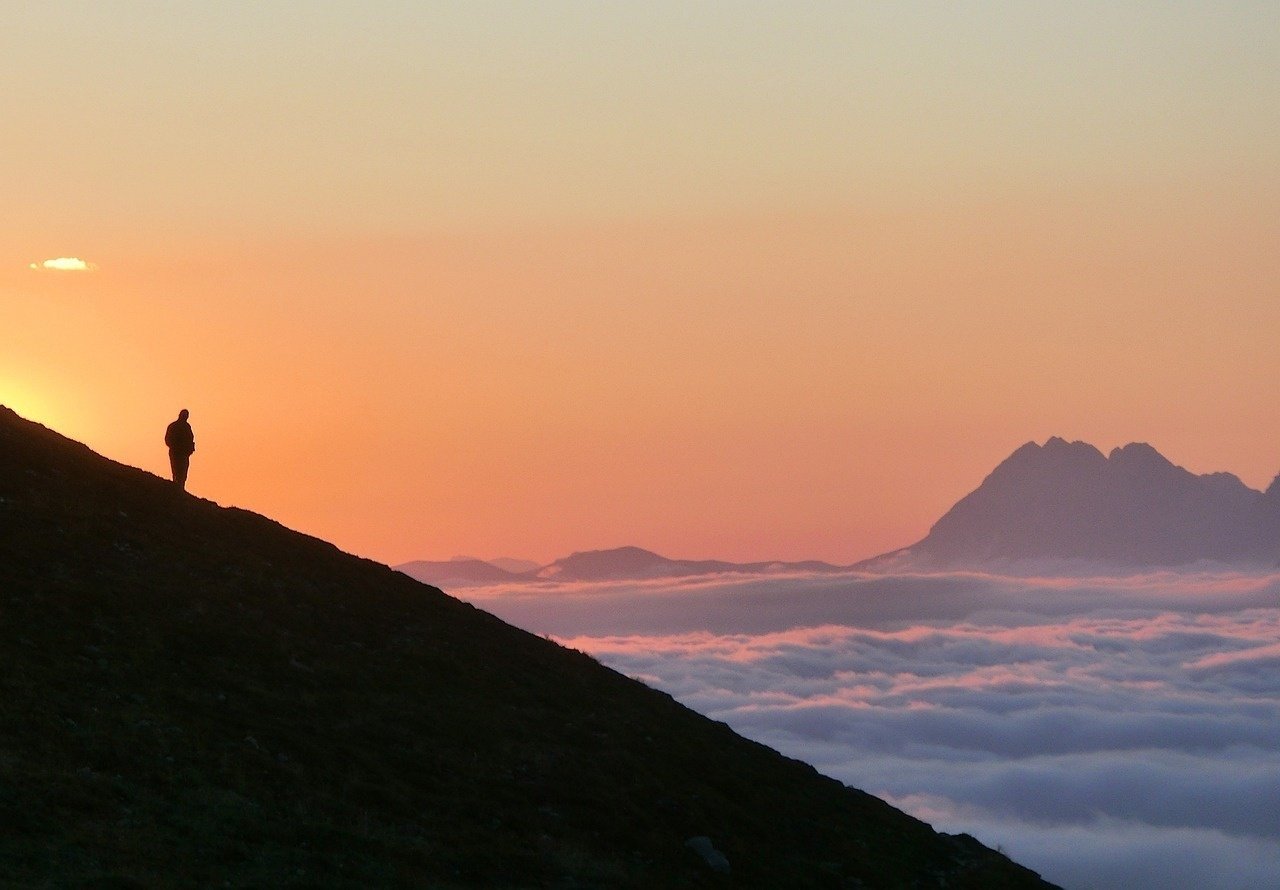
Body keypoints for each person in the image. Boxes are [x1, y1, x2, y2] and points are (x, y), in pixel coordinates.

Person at [164, 409, 196, 490]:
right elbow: (168, 439)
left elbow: (191, 439)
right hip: (176, 453)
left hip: (184, 454)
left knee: (183, 472)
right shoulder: (174, 426)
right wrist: (175, 447)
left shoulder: (187, 427)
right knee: (176, 470)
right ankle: (177, 488)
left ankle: (180, 488)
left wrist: (190, 449)